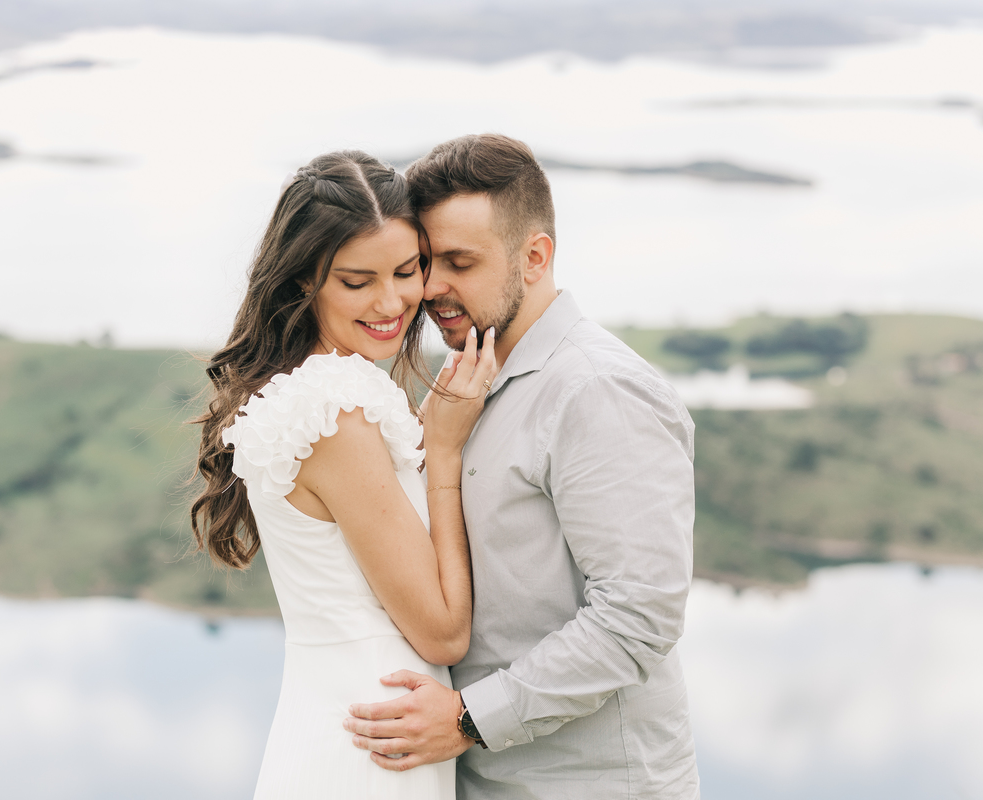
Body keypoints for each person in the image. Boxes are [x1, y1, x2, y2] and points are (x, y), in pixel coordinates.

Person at [343, 134, 701, 799]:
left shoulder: (597, 390)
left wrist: (469, 719)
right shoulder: (466, 380)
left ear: (535, 257)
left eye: (461, 263)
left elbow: (639, 616)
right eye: (428, 262)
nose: (432, 288)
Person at [190, 150, 498, 800]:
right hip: (377, 738)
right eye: (358, 282)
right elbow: (443, 633)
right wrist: (444, 453)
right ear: (305, 279)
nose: (391, 301)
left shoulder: (306, 391)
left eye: (407, 271)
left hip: (347, 719)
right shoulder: (336, 414)